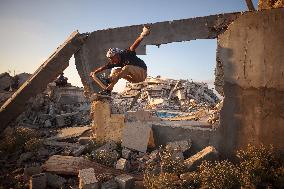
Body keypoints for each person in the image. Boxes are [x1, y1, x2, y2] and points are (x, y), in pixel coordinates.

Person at [89, 26, 151, 96]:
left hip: (142, 74)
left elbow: (133, 46)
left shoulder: (126, 53)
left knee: (127, 68)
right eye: (110, 59)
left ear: (117, 55)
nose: (112, 60)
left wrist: (142, 35)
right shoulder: (115, 62)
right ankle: (108, 91)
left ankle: (108, 83)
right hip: (133, 79)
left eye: (112, 58)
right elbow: (104, 67)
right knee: (115, 71)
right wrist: (94, 72)